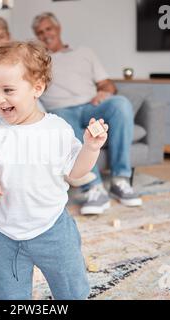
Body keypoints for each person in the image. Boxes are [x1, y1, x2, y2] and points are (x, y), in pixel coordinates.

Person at [0, 41, 110, 299]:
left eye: (8, 90)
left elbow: (76, 172)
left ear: (37, 88)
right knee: (7, 297)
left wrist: (90, 148)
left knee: (72, 292)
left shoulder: (57, 129)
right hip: (4, 234)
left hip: (53, 230)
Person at [32, 12, 142, 215]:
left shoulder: (84, 52)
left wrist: (105, 92)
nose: (45, 34)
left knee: (121, 104)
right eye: (40, 32)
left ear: (58, 29)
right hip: (61, 110)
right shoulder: (38, 62)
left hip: (91, 106)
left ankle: (120, 180)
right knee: (61, 121)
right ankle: (94, 187)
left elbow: (107, 84)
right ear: (37, 37)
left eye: (49, 29)